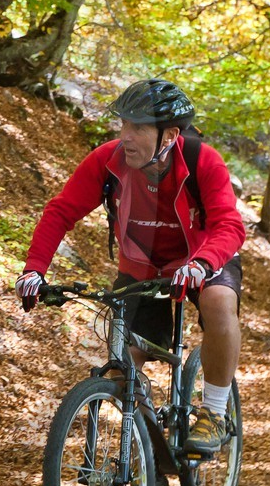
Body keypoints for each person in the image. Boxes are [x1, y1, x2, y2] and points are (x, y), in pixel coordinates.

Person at [15, 79, 247, 453]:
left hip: (203, 258)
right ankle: (147, 444)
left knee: (219, 302)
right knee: (126, 367)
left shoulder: (203, 160)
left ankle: (215, 413)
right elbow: (61, 212)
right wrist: (34, 269)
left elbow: (230, 224)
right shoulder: (108, 162)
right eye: (123, 124)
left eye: (138, 127)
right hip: (144, 267)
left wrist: (203, 264)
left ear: (169, 136)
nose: (125, 136)